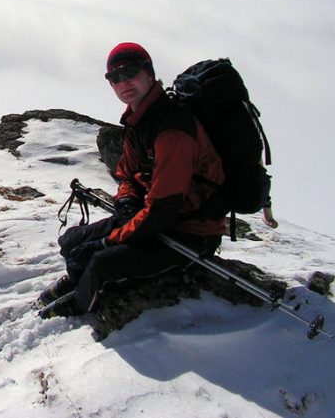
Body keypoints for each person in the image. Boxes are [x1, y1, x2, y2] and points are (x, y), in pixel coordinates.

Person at [38, 42, 226, 319]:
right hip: (152, 216)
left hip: (189, 232)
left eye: (131, 72)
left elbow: (163, 211)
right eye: (114, 77)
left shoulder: (172, 128)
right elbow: (128, 173)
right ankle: (81, 281)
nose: (123, 82)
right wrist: (126, 199)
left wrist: (108, 241)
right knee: (71, 241)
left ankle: (81, 303)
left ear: (149, 73)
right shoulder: (139, 121)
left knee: (100, 261)